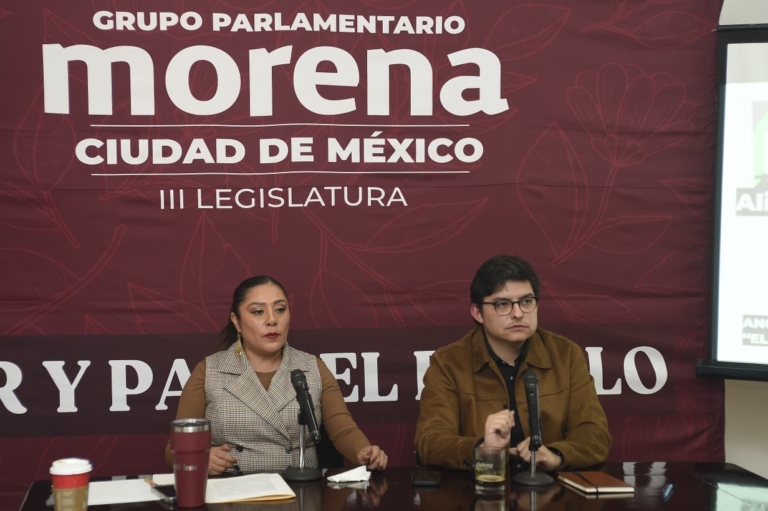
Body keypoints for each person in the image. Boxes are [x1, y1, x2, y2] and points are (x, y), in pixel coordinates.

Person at [166, 275, 388, 475]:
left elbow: (343, 430)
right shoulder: (209, 371)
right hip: (232, 493)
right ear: (236, 321)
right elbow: (173, 449)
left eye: (280, 309)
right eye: (258, 312)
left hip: (302, 492)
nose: (272, 320)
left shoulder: (312, 367)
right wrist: (198, 459)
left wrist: (364, 451)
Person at [415, 255, 611, 471]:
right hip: (480, 485)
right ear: (477, 313)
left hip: (550, 486)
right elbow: (430, 442)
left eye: (526, 302)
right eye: (502, 304)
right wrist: (483, 448)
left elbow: (595, 434)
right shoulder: (448, 363)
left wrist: (556, 455)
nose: (518, 314)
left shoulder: (566, 355)